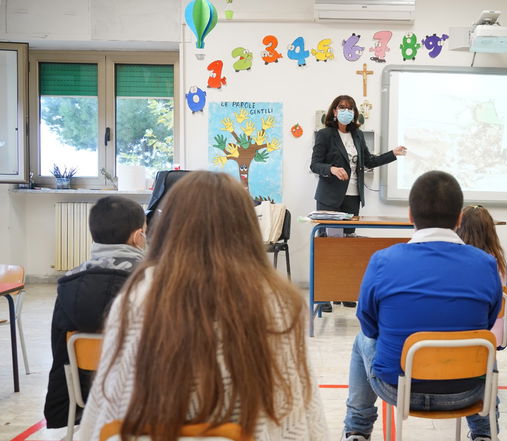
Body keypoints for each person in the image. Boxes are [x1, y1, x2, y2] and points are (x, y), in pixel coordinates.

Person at [77, 172, 327, 441]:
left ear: (169, 225)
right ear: (247, 228)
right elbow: (301, 412)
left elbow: (110, 403)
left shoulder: (138, 295)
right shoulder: (276, 301)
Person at [342, 171, 502, 441]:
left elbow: (368, 326)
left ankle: (357, 430)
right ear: (459, 218)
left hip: (398, 388)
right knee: (482, 346)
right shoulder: (486, 264)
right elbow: (487, 323)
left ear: (410, 216)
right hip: (467, 391)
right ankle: (484, 434)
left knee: (361, 340)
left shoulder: (383, 261)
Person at [44, 196, 146, 429]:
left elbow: (59, 348)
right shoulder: (151, 278)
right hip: (142, 394)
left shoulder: (69, 281)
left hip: (87, 396)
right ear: (138, 236)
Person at [310, 95, 406, 311]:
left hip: (352, 197)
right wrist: (332, 169)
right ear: (334, 111)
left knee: (347, 246)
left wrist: (393, 154)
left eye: (350, 108)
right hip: (329, 198)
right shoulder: (325, 135)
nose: (346, 111)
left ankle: (343, 292)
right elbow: (315, 165)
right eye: (342, 107)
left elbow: (369, 160)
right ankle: (324, 296)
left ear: (354, 112)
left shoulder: (358, 135)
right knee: (328, 246)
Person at [456, 205, 507, 346]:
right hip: (491, 337)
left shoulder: (452, 262)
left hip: (453, 334)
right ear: (491, 231)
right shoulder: (497, 262)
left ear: (459, 228)